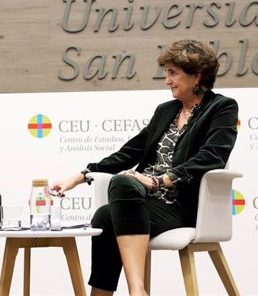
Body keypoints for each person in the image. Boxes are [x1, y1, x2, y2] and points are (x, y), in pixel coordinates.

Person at [52, 39, 238, 296]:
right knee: (104, 215)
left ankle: (137, 290)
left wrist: (162, 180)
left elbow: (213, 155)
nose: (167, 80)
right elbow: (131, 151)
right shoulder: (166, 111)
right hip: (144, 201)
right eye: (166, 73)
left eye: (173, 73)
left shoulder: (221, 107)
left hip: (181, 205)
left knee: (119, 191)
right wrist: (81, 176)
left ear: (197, 75)